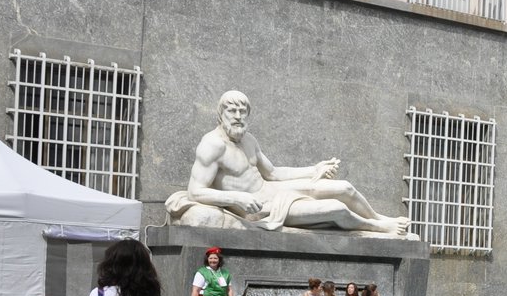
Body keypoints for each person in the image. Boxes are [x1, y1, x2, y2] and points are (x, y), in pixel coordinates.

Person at [169, 91, 413, 237]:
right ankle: (376, 228)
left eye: (243, 112)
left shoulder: (249, 140)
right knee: (335, 208)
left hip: (271, 190)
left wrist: (314, 170)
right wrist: (236, 199)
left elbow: (273, 173)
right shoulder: (212, 145)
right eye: (232, 111)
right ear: (220, 114)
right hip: (260, 209)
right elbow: (196, 191)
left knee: (345, 189)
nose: (238, 117)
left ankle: (381, 218)